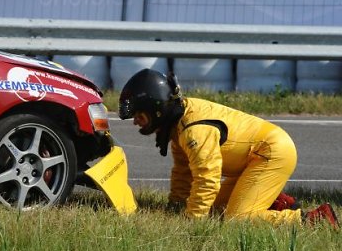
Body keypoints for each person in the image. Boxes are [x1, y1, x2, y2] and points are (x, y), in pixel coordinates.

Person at [119, 68, 339, 228]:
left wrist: (191, 221)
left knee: (238, 219)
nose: (136, 122)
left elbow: (207, 179)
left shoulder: (193, 130)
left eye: (139, 116)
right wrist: (178, 205)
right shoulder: (180, 122)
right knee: (214, 207)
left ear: (156, 109)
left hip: (271, 154)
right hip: (258, 157)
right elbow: (183, 170)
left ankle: (314, 219)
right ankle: (277, 202)